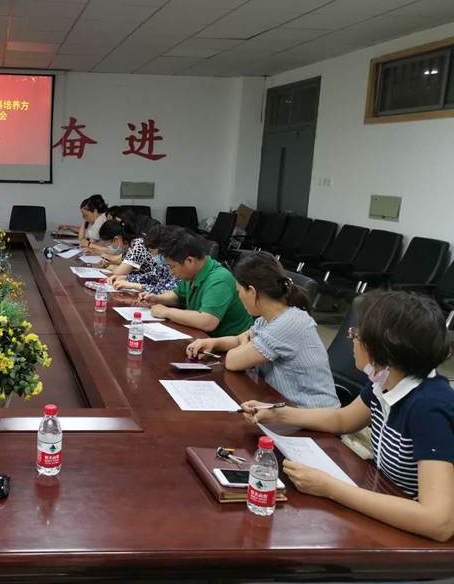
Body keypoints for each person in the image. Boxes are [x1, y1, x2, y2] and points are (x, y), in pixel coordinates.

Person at [241, 291, 454, 542]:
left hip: (419, 540)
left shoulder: (429, 407)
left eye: (356, 334)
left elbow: (438, 522)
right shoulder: (385, 382)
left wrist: (329, 488)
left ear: (384, 349)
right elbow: (343, 420)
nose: (351, 339)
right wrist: (278, 414)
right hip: (387, 500)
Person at [186, 252, 339, 408]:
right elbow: (239, 339)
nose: (239, 296)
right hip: (280, 404)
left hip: (309, 413)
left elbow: (233, 362)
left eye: (239, 292)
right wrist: (213, 343)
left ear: (252, 292)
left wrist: (244, 345)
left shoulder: (288, 323)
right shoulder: (269, 317)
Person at [142, 228, 252, 337]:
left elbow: (207, 321)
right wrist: (157, 298)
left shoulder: (219, 279)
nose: (171, 272)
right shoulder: (192, 274)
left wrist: (166, 312)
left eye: (172, 266)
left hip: (229, 343)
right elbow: (178, 295)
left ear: (189, 261)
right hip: (201, 337)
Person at [109, 224, 179, 295]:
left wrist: (134, 285)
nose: (152, 256)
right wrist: (126, 278)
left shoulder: (179, 267)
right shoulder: (165, 266)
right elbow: (152, 277)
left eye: (153, 252)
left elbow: (168, 292)